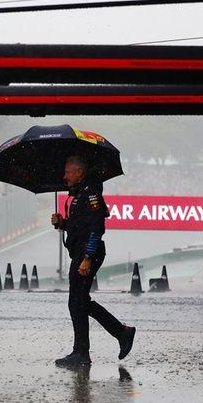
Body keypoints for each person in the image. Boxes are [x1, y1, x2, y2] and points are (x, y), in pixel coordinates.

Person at [51, 155, 135, 368]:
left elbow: (97, 228)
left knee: (77, 302)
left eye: (68, 172)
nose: (65, 176)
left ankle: (83, 352)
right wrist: (63, 223)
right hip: (79, 252)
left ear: (79, 172)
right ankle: (118, 333)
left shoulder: (91, 194)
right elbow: (80, 226)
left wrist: (88, 258)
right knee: (78, 302)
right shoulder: (79, 194)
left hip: (89, 253)